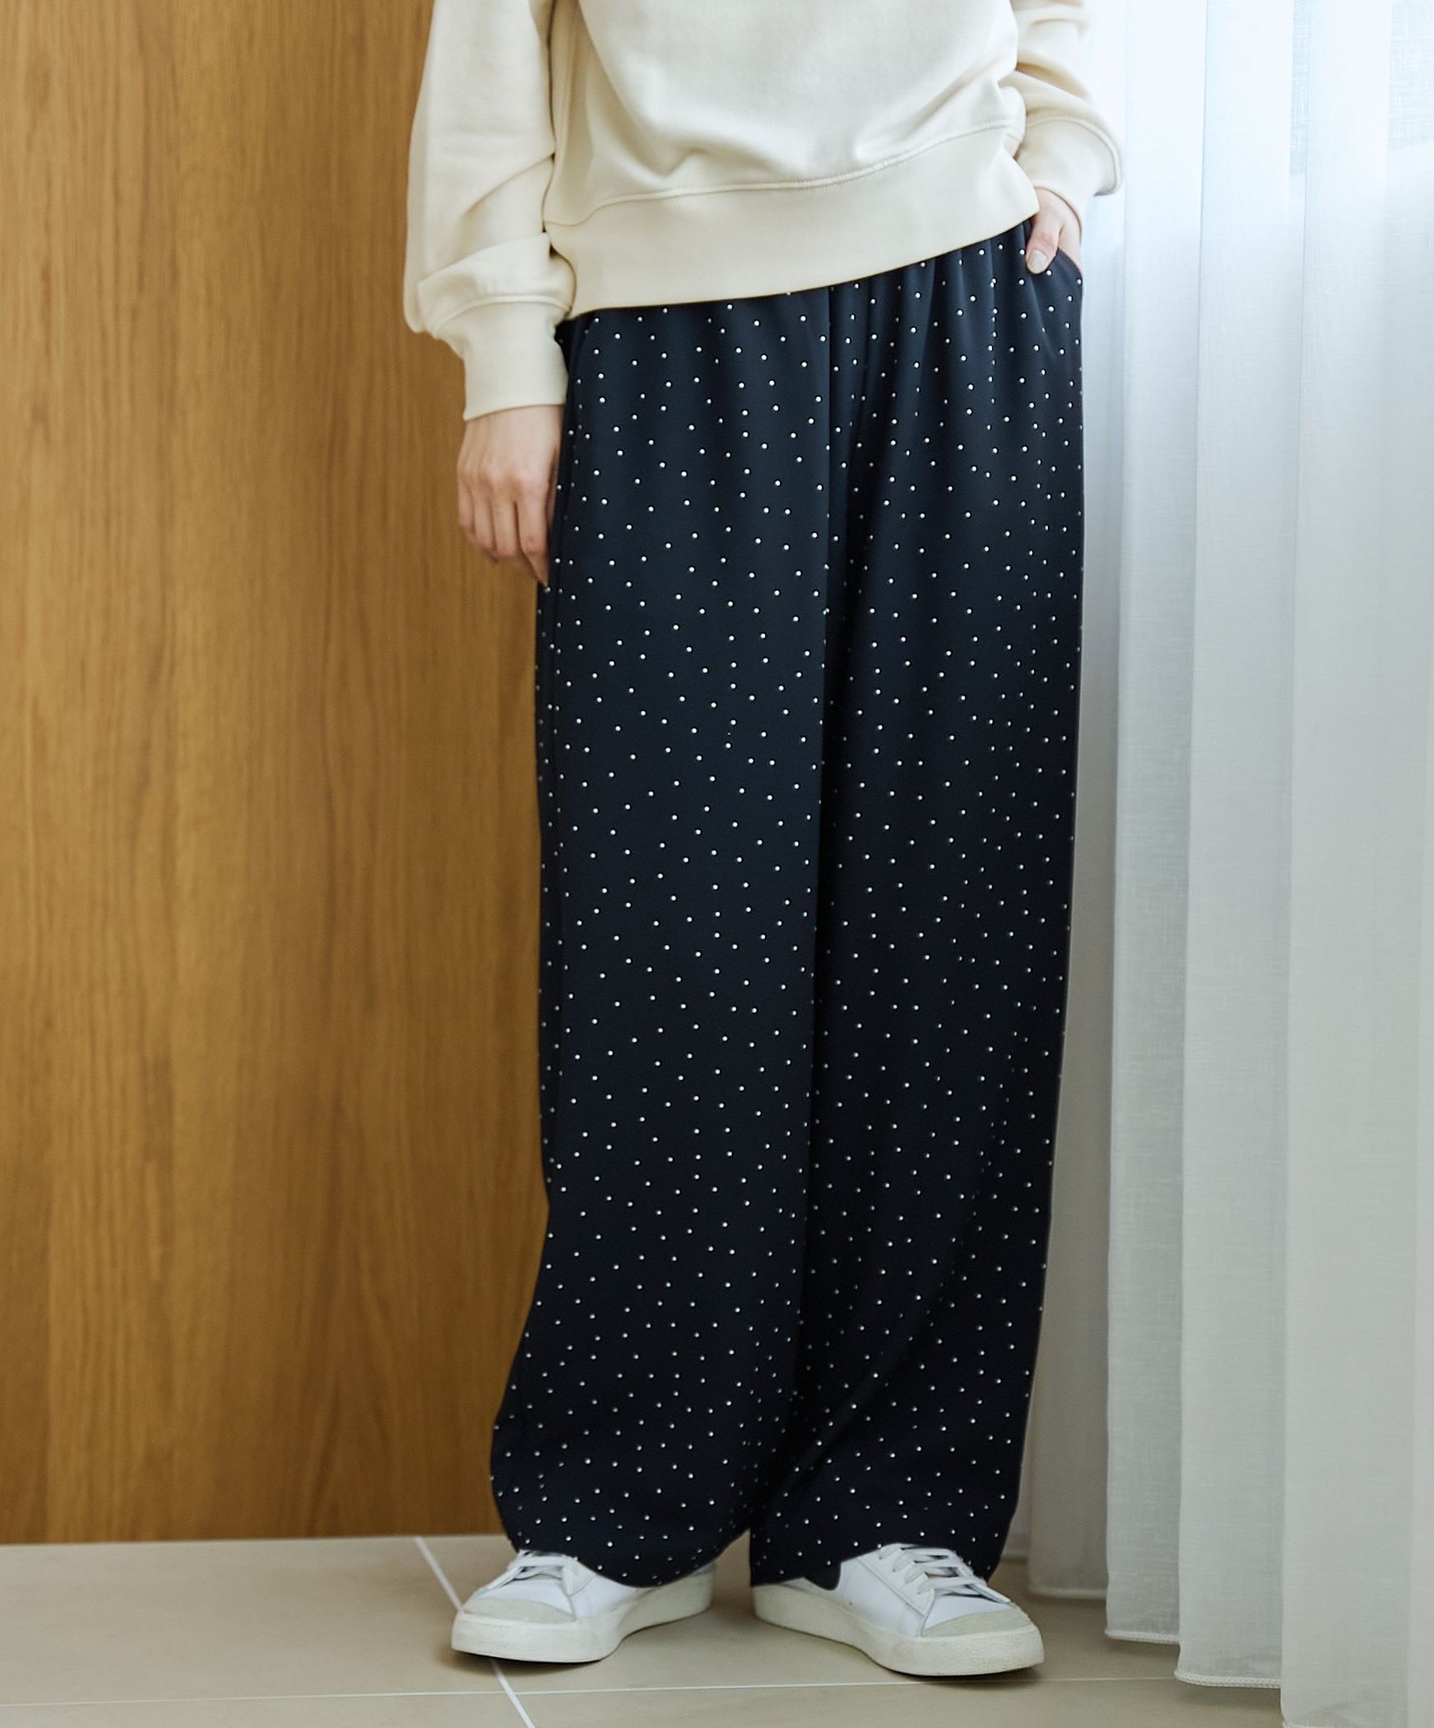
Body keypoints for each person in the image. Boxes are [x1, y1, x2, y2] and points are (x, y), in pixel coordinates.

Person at [402, 0, 1122, 1683]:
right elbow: (489, 47)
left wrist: (1065, 154)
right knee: (668, 926)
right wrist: (505, 354)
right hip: (661, 317)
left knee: (951, 923)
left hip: (969, 280)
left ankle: (883, 1515)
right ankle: (618, 1507)